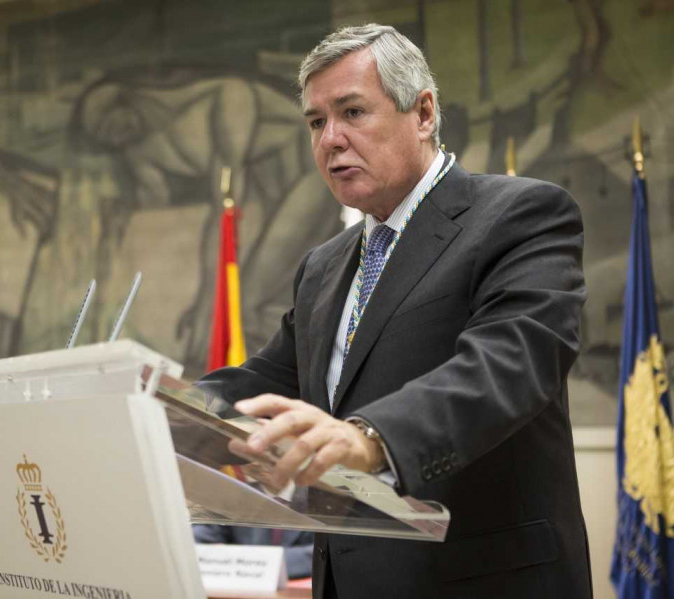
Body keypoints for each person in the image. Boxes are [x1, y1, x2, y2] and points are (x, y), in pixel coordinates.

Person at [201, 23, 592, 599]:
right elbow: (264, 381)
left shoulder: (522, 215)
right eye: (316, 121)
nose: (330, 138)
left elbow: (509, 364)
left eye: (353, 112)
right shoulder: (324, 266)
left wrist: (372, 439)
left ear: (424, 113)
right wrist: (149, 409)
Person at [193, 524, 313, 579]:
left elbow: (323, 553)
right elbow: (196, 538)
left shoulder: (320, 498)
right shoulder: (234, 496)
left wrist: (257, 562)